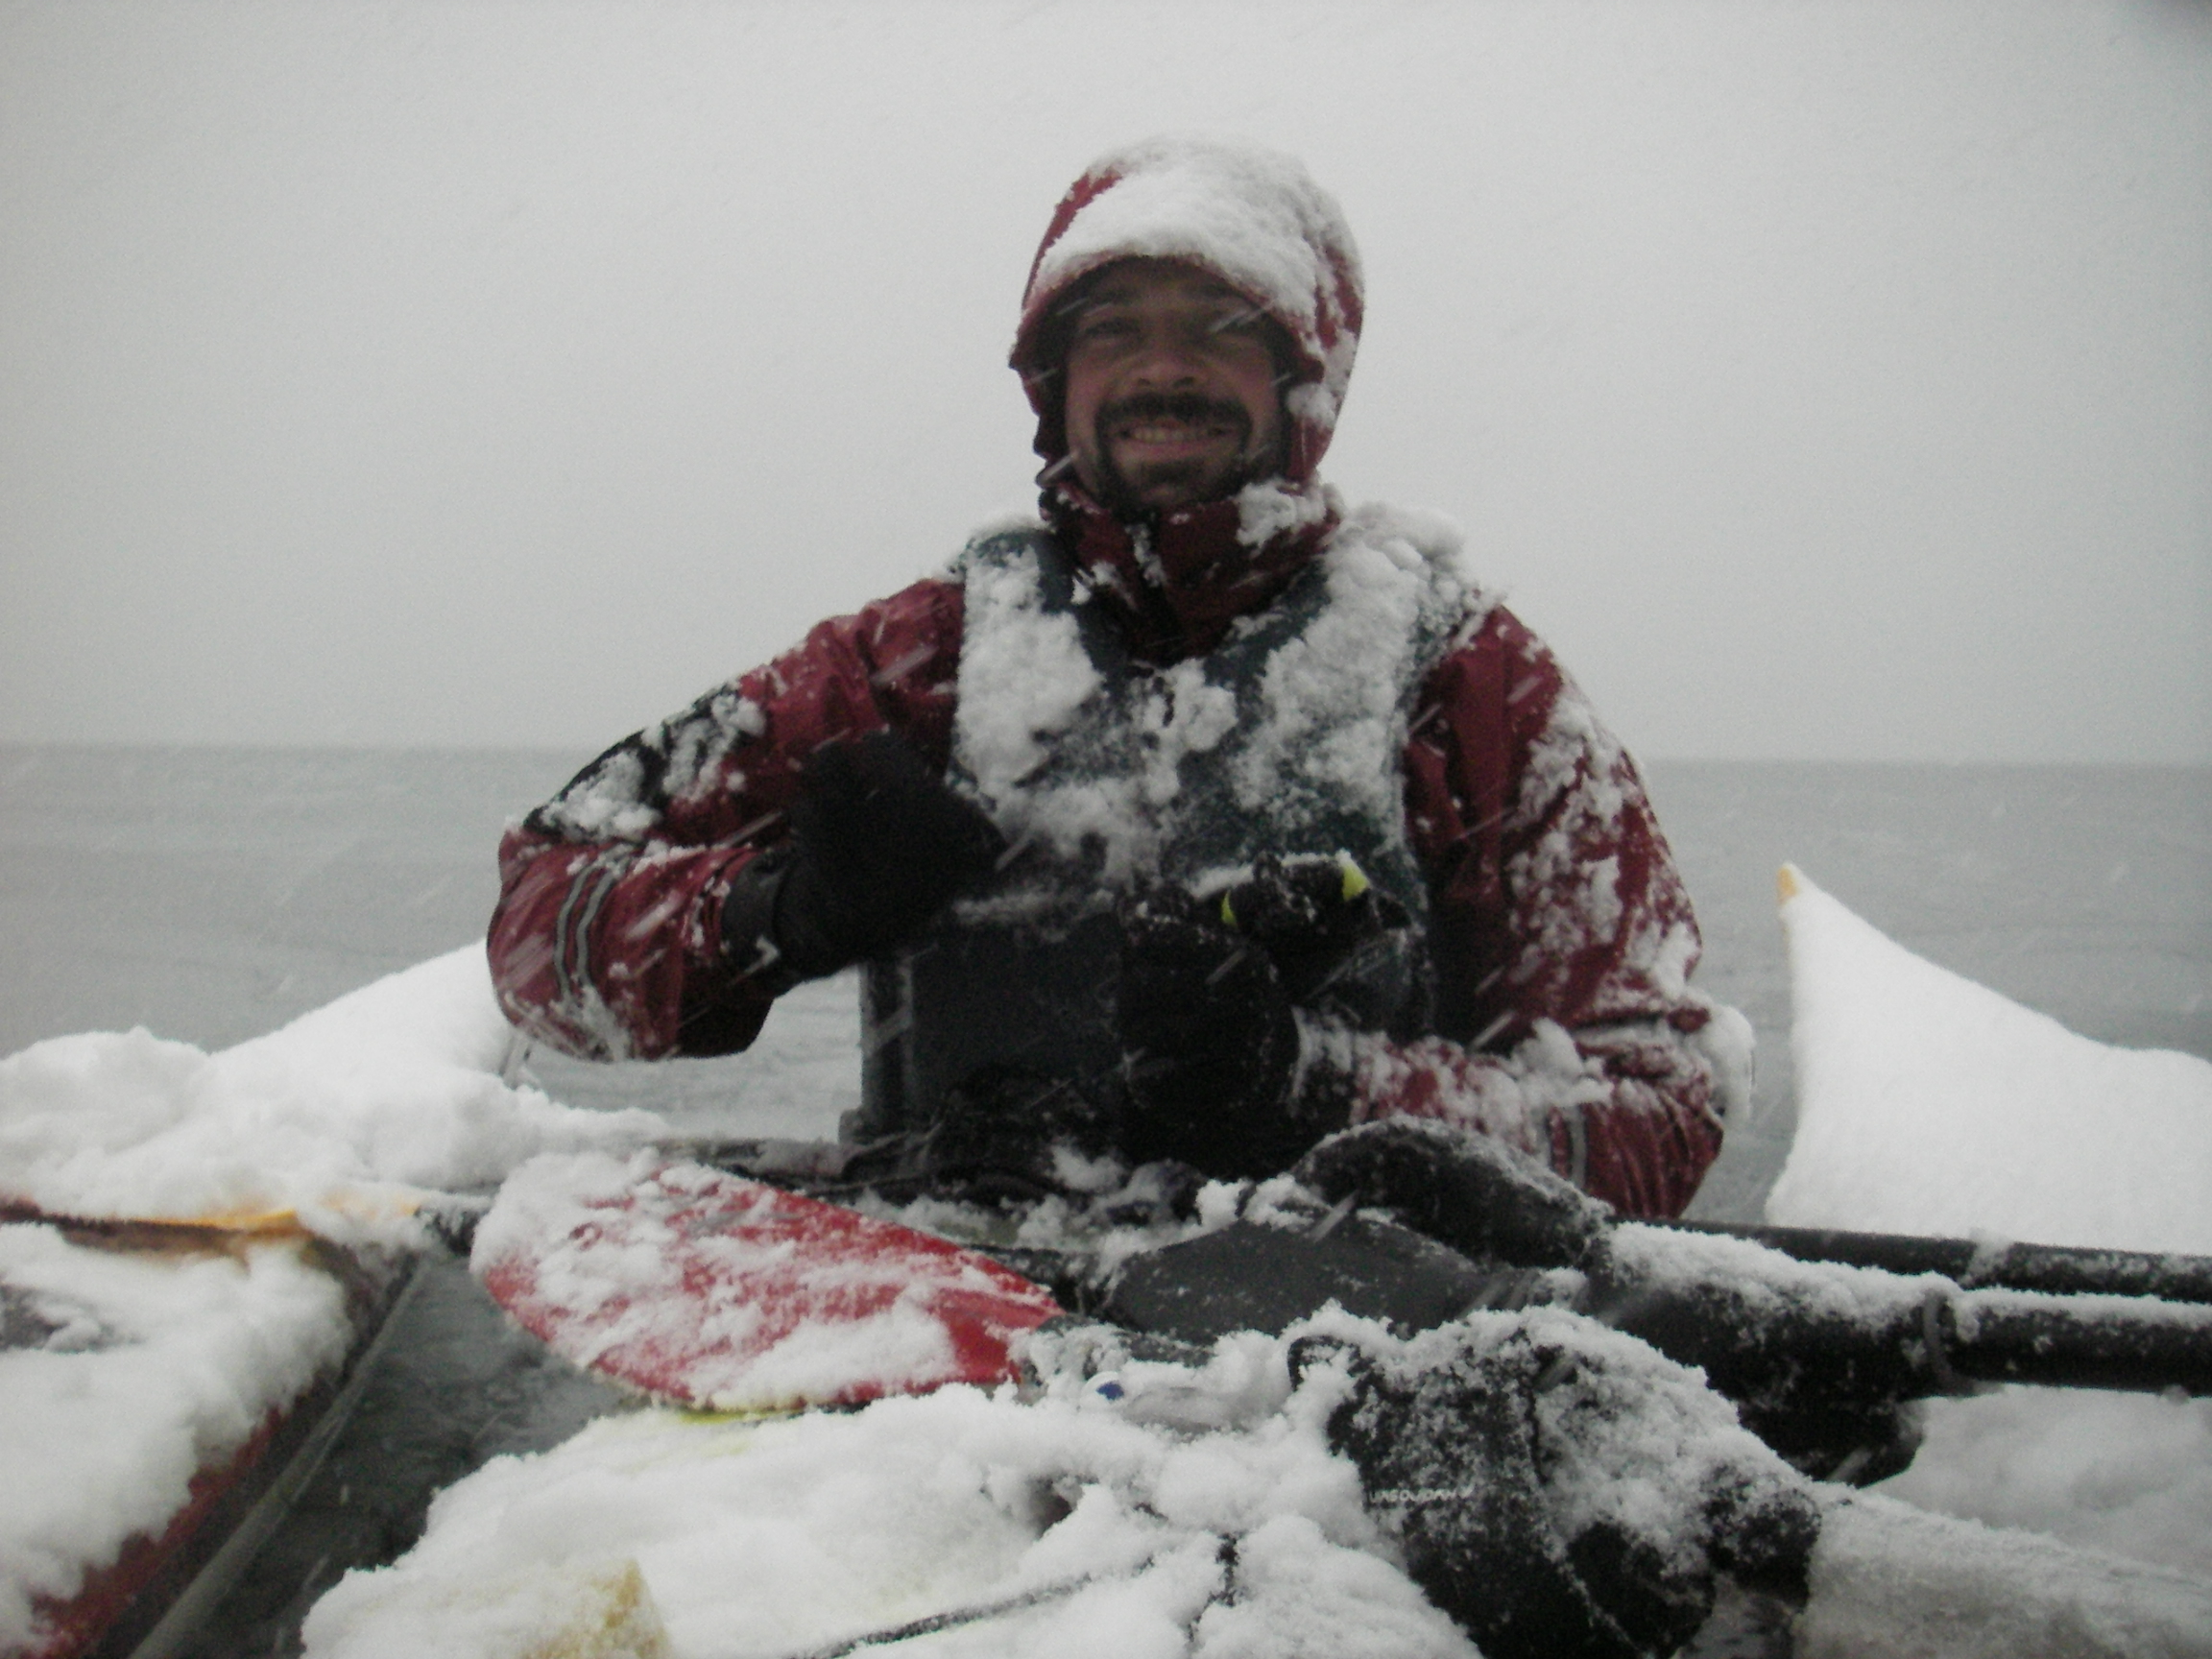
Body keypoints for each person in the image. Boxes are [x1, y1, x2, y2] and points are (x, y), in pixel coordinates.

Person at [488, 135, 1750, 1223]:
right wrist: (774, 914)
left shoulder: (1470, 685)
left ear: (1305, 377)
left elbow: (1656, 1110)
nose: (1163, 371)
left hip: (1327, 1346)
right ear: (1057, 382)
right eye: (1113, 332)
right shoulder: (918, 662)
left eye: (1221, 329)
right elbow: (542, 926)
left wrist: (1316, 1086)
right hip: (950, 1313)